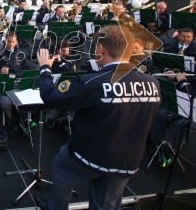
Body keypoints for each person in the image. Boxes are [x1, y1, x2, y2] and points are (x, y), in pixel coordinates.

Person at [36, 25, 160, 210]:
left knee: (61, 165)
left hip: (91, 156)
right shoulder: (153, 83)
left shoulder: (93, 82)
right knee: (106, 204)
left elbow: (50, 96)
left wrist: (45, 69)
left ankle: (55, 207)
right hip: (128, 160)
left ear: (101, 48)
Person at [0, 33, 30, 122]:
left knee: (26, 100)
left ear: (17, 42)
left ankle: (23, 119)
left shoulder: (21, 54)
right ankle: (11, 118)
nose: (11, 44)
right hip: (5, 84)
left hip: (19, 83)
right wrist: (0, 72)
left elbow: (27, 70)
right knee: (5, 103)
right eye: (9, 41)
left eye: (13, 42)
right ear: (5, 41)